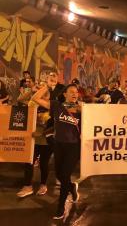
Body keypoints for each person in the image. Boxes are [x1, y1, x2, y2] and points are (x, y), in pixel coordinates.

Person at [32, 83, 81, 219]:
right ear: (65, 94)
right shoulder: (56, 105)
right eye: (71, 92)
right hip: (58, 145)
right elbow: (35, 98)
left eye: (76, 92)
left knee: (64, 175)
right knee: (60, 175)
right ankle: (72, 188)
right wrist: (47, 86)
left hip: (73, 147)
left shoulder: (81, 109)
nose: (74, 94)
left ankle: (61, 207)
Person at [17, 86, 53, 198]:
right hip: (32, 140)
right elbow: (20, 100)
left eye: (46, 93)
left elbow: (57, 124)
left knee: (44, 163)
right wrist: (31, 90)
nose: (43, 95)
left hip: (47, 141)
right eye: (41, 92)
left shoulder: (53, 105)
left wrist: (42, 133)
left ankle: (43, 184)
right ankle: (27, 186)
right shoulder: (33, 103)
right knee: (29, 162)